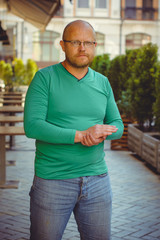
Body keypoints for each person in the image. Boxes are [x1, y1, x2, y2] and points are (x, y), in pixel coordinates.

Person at [24, 20, 124, 240]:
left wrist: (101, 132)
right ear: (62, 44)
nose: (82, 48)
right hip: (52, 182)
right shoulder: (44, 78)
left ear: (95, 46)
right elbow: (32, 126)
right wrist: (80, 136)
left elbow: (118, 126)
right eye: (76, 42)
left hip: (97, 181)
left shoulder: (102, 82)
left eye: (88, 42)